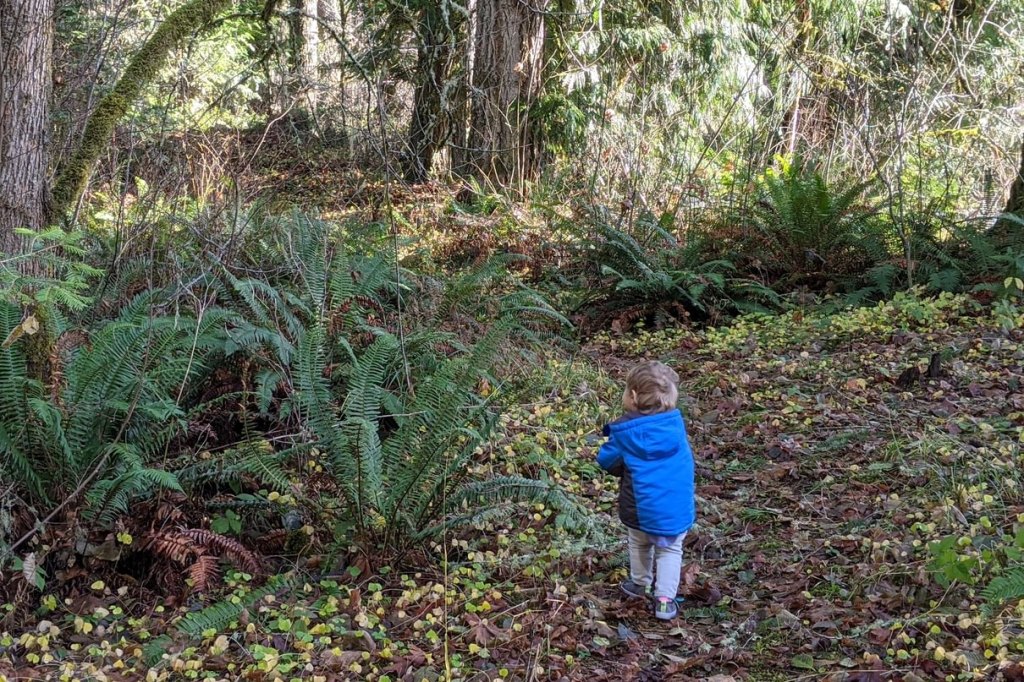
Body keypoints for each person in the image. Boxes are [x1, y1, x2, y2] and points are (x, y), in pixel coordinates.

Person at [596, 360, 696, 620]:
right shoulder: (675, 426)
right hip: (675, 508)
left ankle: (639, 584)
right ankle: (665, 601)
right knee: (671, 550)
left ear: (632, 396)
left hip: (639, 508)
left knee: (639, 543)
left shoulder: (626, 433)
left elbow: (607, 460)